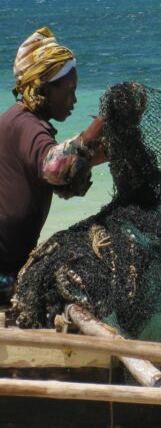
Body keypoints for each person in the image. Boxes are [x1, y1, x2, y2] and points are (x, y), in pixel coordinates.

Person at [0, 27, 106, 304]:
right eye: (69, 90)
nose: (74, 100)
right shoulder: (25, 125)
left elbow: (62, 183)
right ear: (44, 88)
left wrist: (96, 156)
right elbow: (54, 168)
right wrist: (100, 124)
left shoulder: (23, 122)